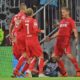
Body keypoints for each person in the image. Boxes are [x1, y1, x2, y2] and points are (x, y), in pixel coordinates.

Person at [47, 7, 80, 76]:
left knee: (69, 55)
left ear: (68, 12)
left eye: (64, 12)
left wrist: (76, 37)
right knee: (55, 57)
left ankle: (78, 70)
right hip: (58, 42)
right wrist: (51, 37)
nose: (62, 14)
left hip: (65, 42)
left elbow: (74, 30)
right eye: (62, 12)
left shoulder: (71, 21)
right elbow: (59, 32)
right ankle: (64, 73)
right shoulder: (61, 21)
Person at [22, 8, 45, 77]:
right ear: (32, 13)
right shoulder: (33, 20)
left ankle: (28, 71)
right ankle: (41, 73)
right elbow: (35, 30)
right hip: (33, 41)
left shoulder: (23, 21)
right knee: (41, 56)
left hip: (27, 41)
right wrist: (41, 31)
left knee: (34, 57)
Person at [9, 3, 29, 77]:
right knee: (26, 55)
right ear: (23, 9)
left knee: (17, 55)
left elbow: (11, 25)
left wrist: (10, 34)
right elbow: (25, 27)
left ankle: (18, 72)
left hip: (14, 36)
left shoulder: (15, 16)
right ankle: (19, 72)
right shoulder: (24, 16)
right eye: (26, 8)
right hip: (22, 37)